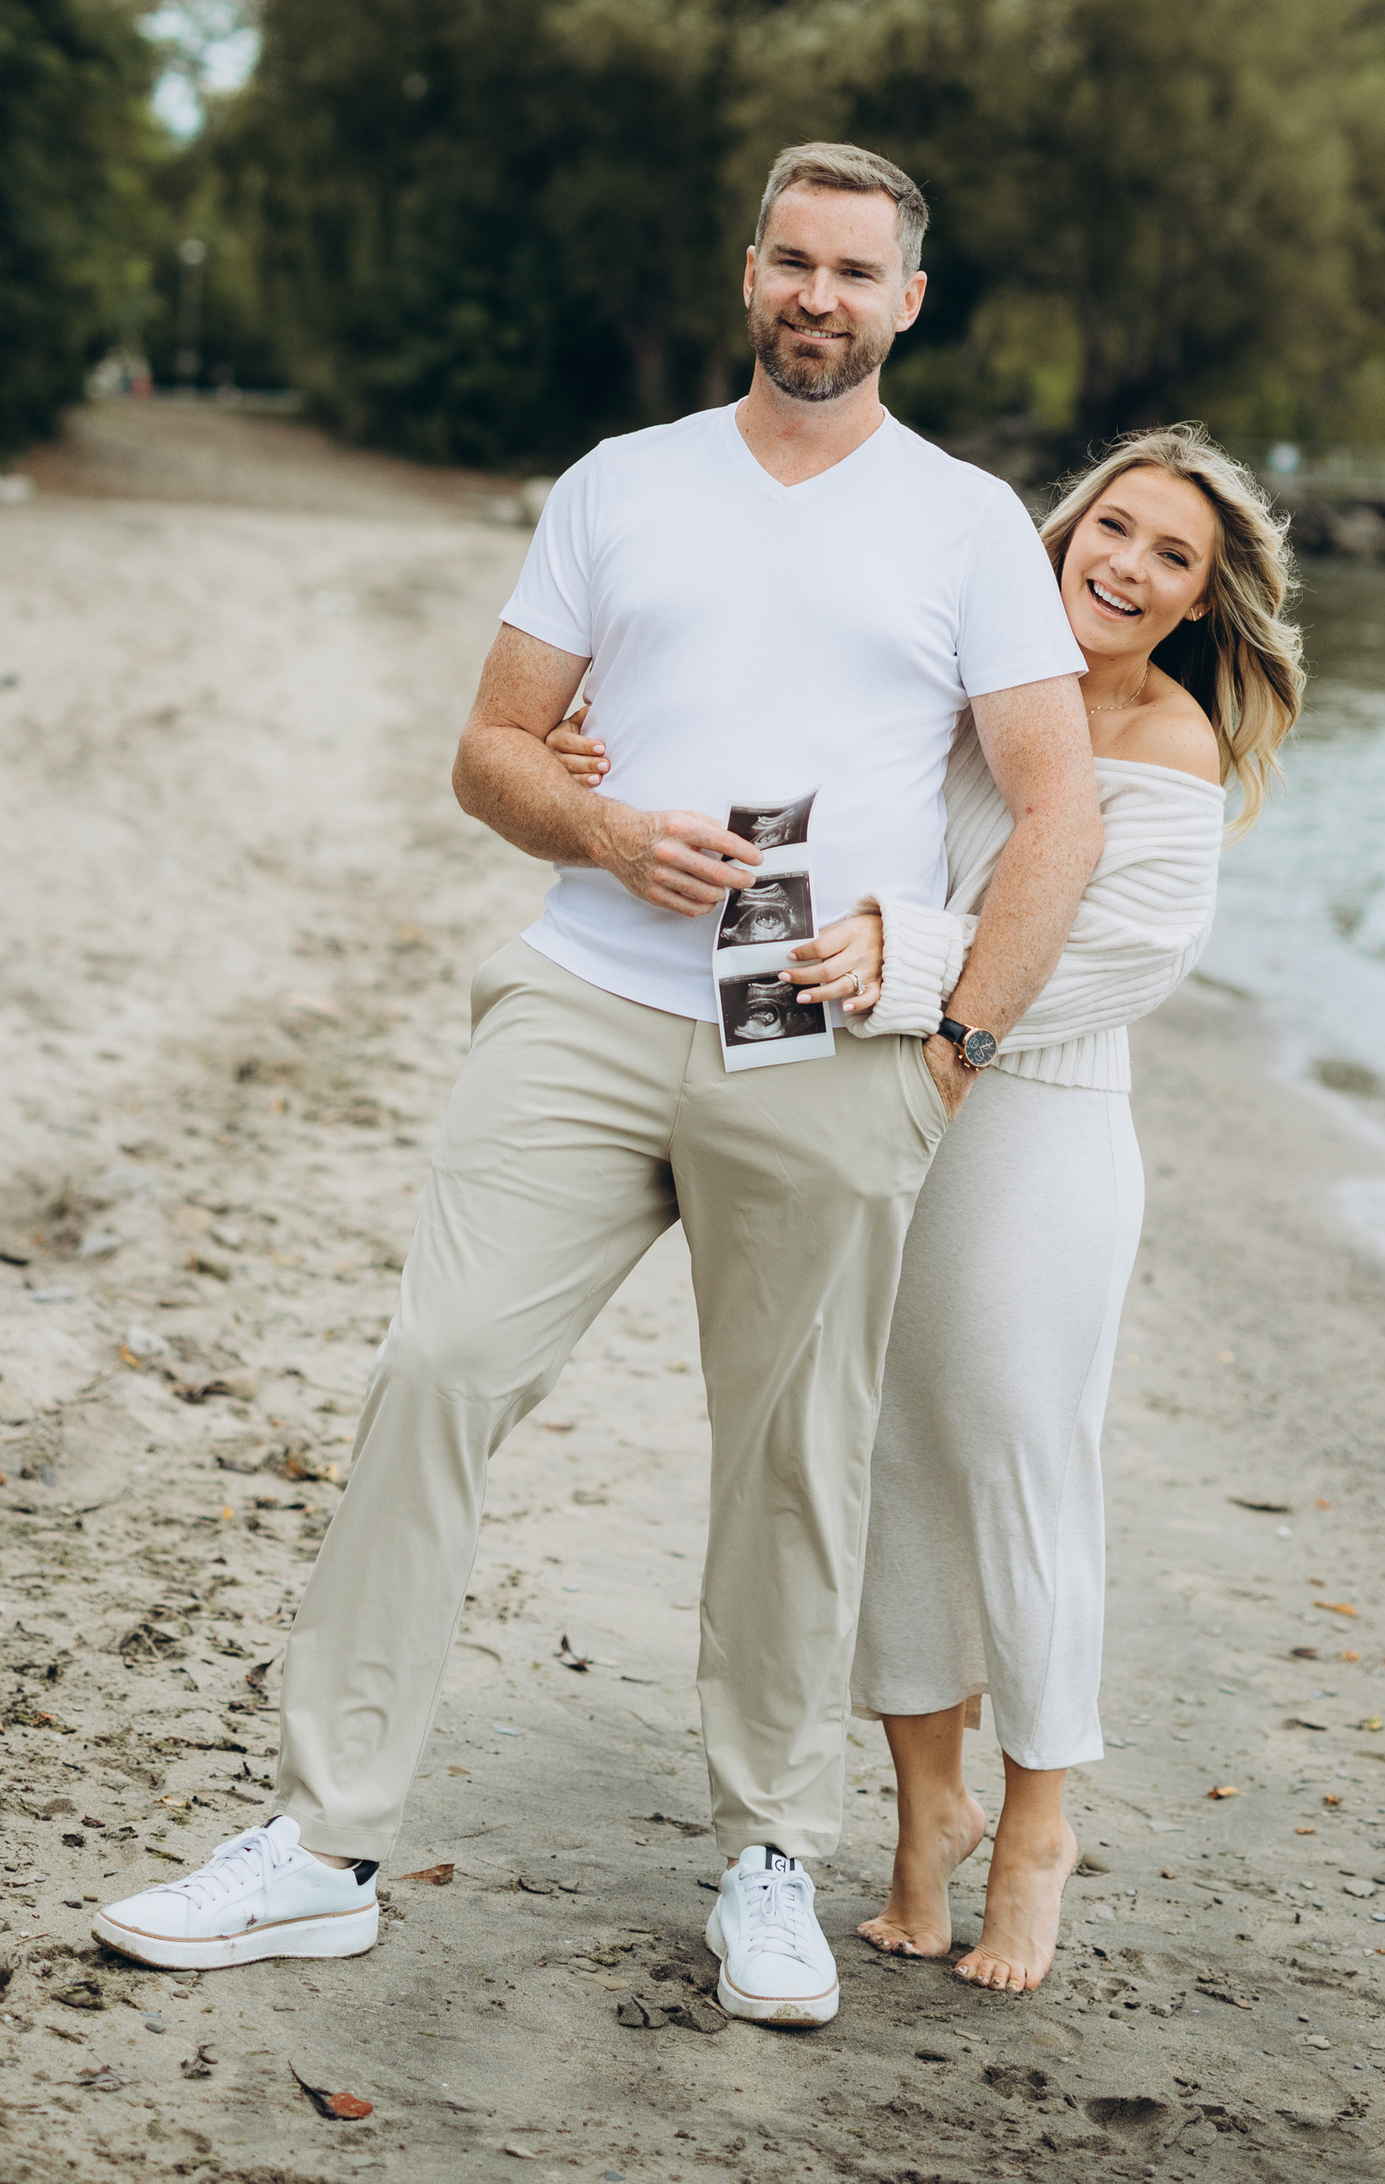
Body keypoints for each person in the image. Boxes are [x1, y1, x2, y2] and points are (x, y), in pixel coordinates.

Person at [96, 143, 1102, 2030]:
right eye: (793, 262)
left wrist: (958, 1037)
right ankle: (320, 1848)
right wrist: (600, 826)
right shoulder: (619, 485)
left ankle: (768, 1857)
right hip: (583, 1000)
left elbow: (1062, 807)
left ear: (909, 303)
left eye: (857, 272)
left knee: (792, 1463)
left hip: (817, 1042)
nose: (821, 296)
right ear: (749, 277)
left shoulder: (967, 523)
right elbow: (488, 754)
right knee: (435, 1372)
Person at [547, 423, 1302, 1996]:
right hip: (876, 1102)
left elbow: (1123, 963)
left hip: (1038, 1123)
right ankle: (927, 1813)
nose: (1130, 564)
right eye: (1116, 526)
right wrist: (600, 777)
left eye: (1175, 557)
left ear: (1200, 604)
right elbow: (776, 804)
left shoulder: (1165, 744)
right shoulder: (964, 688)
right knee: (882, 1456)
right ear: (1063, 528)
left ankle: (1037, 1826)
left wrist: (898, 970)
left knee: (1020, 1453)